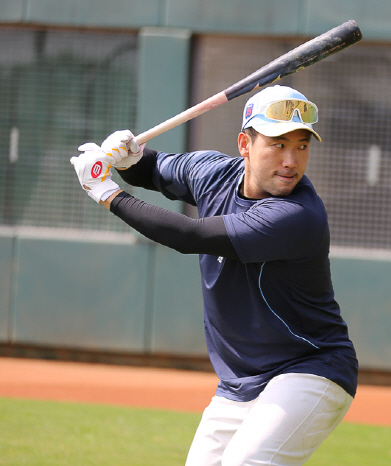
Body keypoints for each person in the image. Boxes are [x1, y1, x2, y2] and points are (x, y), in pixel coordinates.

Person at [70, 85, 359, 466]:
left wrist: (108, 192)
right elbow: (153, 170)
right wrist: (128, 157)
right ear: (245, 144)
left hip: (309, 368)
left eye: (302, 146)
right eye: (277, 144)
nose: (291, 160)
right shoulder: (212, 172)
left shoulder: (297, 216)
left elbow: (189, 236)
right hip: (240, 381)